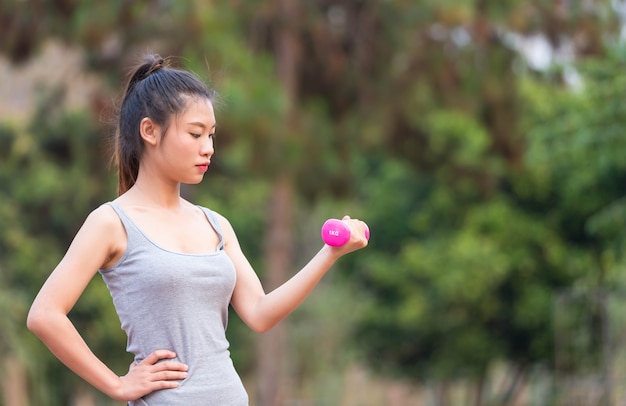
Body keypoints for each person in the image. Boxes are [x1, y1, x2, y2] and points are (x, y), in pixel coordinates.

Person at [26, 53, 368, 405]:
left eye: (211, 135)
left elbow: (261, 314)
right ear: (149, 131)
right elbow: (45, 315)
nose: (208, 149)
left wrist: (330, 254)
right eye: (195, 134)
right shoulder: (111, 223)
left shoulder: (215, 225)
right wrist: (116, 384)